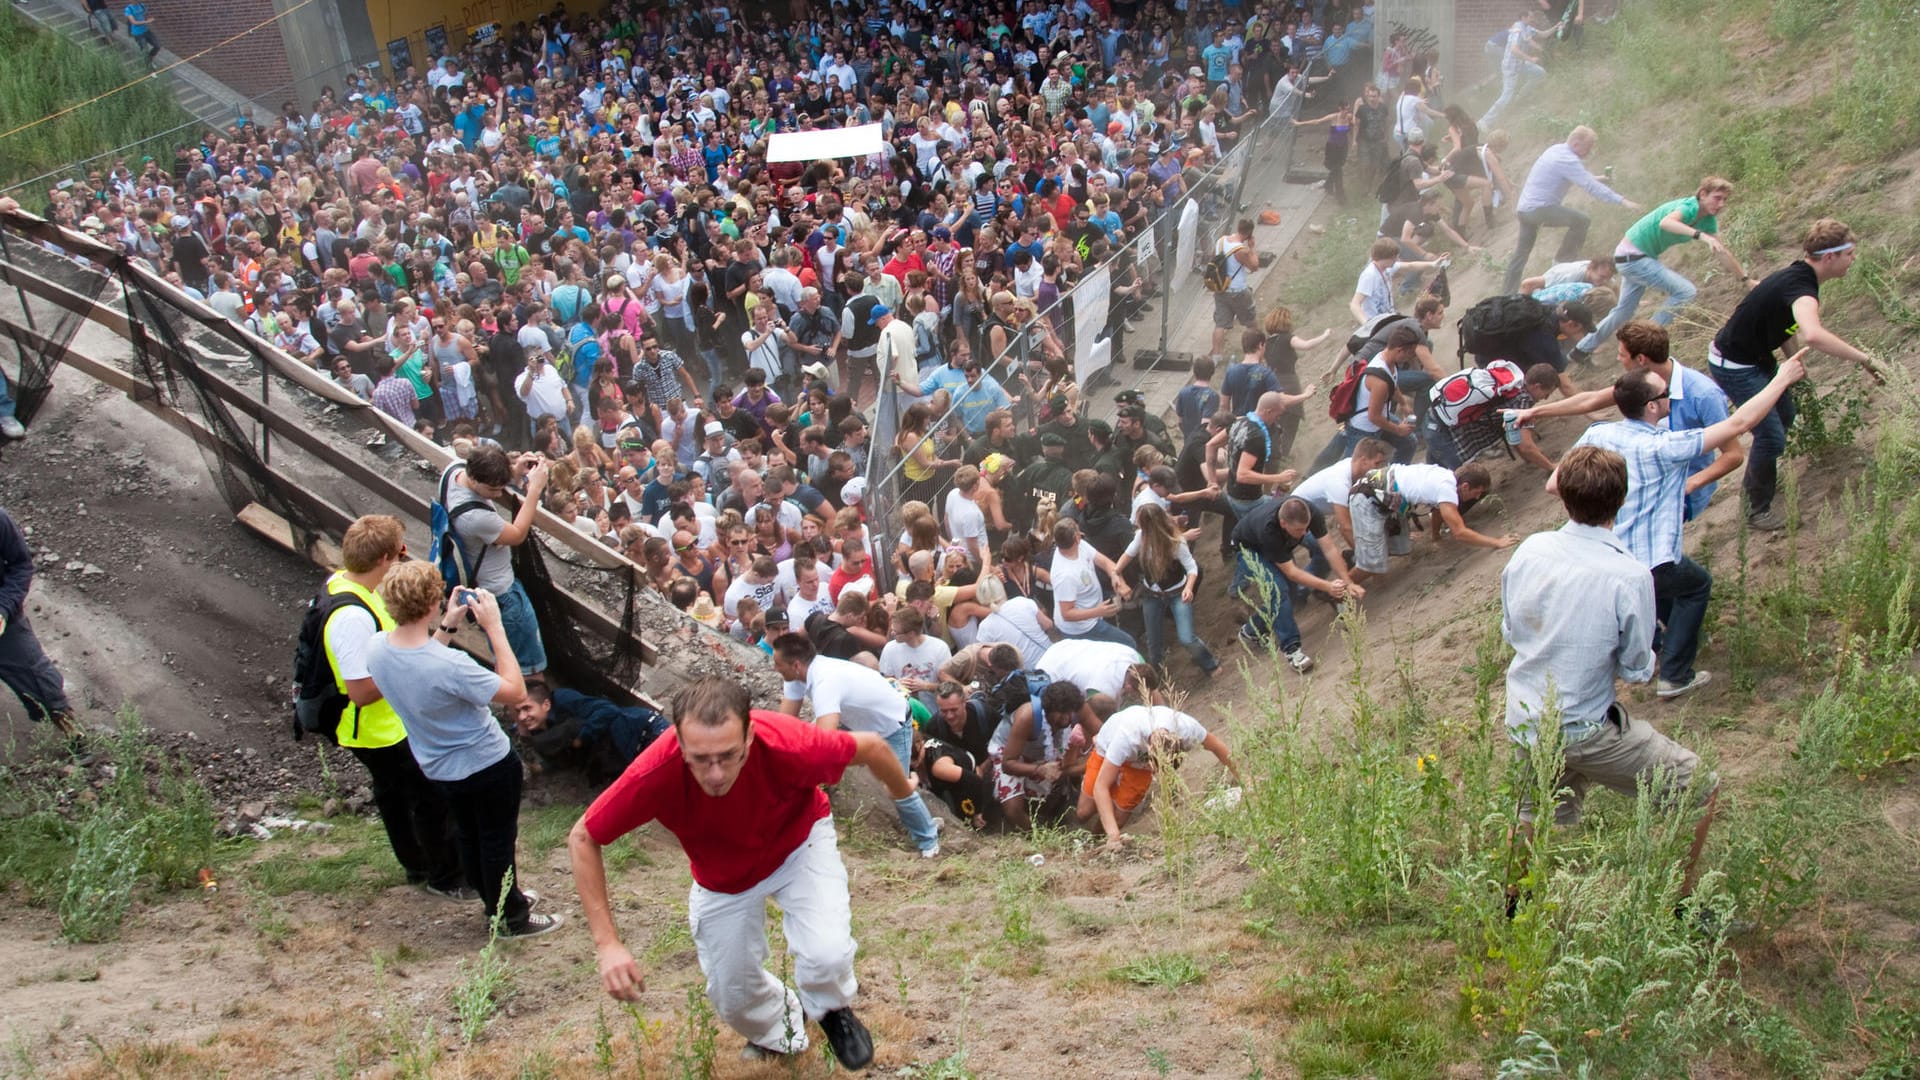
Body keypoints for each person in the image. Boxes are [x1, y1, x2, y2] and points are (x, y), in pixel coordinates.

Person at [569, 678, 919, 1070]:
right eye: (700, 759)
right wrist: (608, 945)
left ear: (750, 736)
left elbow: (872, 747)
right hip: (723, 876)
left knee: (826, 954)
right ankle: (782, 1025)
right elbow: (583, 837)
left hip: (798, 845)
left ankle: (833, 1009)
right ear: (680, 744)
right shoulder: (657, 770)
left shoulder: (789, 743)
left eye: (727, 755)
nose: (715, 773)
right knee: (732, 995)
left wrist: (903, 790)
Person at [1503, 445, 1718, 910]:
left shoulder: (1530, 549)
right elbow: (1639, 668)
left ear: (1562, 497)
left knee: (1530, 812)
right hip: (1584, 726)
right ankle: (1681, 904)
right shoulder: (1629, 574)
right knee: (1699, 786)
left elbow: (1511, 627)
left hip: (1526, 715)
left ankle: (1514, 904)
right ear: (1622, 500)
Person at [1560, 356, 1809, 697]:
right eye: (1665, 394)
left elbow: (1553, 484)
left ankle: (1664, 648)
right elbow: (1739, 424)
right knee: (1695, 586)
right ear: (1651, 406)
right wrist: (1780, 380)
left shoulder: (1598, 435)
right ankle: (1675, 675)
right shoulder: (1664, 447)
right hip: (1651, 555)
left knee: (1660, 591)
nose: (1670, 398)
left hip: (1609, 553)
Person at [364, 561, 560, 938]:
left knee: (470, 835)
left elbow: (418, 661)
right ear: (429, 604)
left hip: (438, 765)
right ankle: (510, 918)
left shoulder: (377, 649)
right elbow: (516, 691)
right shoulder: (451, 665)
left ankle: (496, 899)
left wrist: (448, 625)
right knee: (497, 840)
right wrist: (494, 627)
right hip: (485, 762)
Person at [317, 515, 465, 899]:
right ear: (384, 558)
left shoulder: (349, 586)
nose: (404, 556)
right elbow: (361, 690)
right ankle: (445, 877)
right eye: (400, 550)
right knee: (430, 797)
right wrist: (408, 671)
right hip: (375, 729)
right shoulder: (350, 616)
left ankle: (418, 865)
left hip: (386, 724)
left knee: (397, 796)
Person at [1707, 219, 1882, 530]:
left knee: (1785, 413)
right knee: (1770, 436)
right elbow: (1813, 334)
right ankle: (1755, 509)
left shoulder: (1799, 277)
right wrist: (1864, 359)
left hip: (1756, 358)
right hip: (1734, 365)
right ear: (1830, 257)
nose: (1853, 259)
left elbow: (1784, 322)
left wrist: (1792, 362)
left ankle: (1763, 477)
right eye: (1850, 254)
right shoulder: (1802, 288)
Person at [1512, 321, 1736, 520]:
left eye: (1621, 354)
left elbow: (1734, 454)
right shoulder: (1643, 381)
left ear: (1641, 359)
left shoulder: (1702, 395)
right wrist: (1535, 413)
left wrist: (1691, 485)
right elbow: (1590, 400)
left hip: (1678, 495)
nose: (1617, 359)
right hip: (1642, 482)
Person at [773, 635, 943, 858]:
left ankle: (928, 838)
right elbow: (785, 723)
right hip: (853, 720)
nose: (774, 668)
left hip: (892, 725)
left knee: (895, 787)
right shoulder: (796, 677)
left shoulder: (826, 680)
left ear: (796, 665)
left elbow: (825, 739)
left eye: (778, 664)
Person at [1573, 177, 1758, 362]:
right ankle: (1643, 342)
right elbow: (1666, 223)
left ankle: (1581, 350)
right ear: (1703, 194)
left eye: (1725, 200)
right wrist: (1701, 236)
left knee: (1623, 312)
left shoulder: (1707, 220)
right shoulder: (1689, 207)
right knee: (1686, 292)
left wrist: (1745, 279)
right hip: (1634, 258)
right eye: (1717, 198)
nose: (1721, 204)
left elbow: (1722, 252)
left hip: (1632, 257)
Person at [442, 445, 550, 677]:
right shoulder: (475, 517)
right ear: (473, 477)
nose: (499, 494)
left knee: (504, 654)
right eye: (493, 489)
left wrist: (513, 471)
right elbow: (517, 534)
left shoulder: (454, 471)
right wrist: (535, 490)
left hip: (484, 586)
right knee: (527, 666)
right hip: (502, 594)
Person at [1077, 703, 1240, 851]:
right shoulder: (1127, 735)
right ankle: (1102, 838)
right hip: (1108, 748)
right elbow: (1101, 786)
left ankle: (1094, 843)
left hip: (1139, 765)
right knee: (1084, 812)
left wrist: (1245, 779)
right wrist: (1114, 836)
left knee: (1118, 819)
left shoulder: (1186, 728)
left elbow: (1217, 747)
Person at [1230, 493, 1363, 673]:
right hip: (1248, 547)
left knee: (1290, 595)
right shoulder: (1270, 531)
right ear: (1284, 524)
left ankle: (1252, 630)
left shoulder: (1309, 512)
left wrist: (1348, 581)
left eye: (1306, 528)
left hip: (1274, 539)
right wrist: (1328, 586)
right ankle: (1292, 651)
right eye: (1299, 530)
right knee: (1278, 589)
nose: (1304, 533)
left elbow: (1329, 548)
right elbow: (1291, 572)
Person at [1502, 126, 1640, 295]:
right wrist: (1622, 201)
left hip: (1525, 210)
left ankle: (1506, 295)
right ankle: (1561, 264)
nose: (1589, 152)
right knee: (1582, 220)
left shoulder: (1556, 150)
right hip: (1539, 209)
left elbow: (1580, 177)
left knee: (1520, 255)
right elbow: (1588, 185)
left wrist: (1599, 179)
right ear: (1576, 143)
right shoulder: (1567, 159)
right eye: (1588, 147)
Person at [1348, 462, 1517, 584]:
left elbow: (1437, 510)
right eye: (1477, 492)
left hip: (1382, 496)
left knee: (1399, 547)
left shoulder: (1444, 477)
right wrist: (1497, 542)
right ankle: (1339, 591)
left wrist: (1436, 537)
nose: (1477, 497)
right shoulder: (1447, 489)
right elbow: (1459, 532)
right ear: (1465, 486)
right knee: (1370, 564)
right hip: (1367, 498)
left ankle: (1359, 561)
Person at [0, 505, 84, 749]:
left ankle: (77, 740)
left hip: (4, 626)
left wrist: (3, 608)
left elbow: (21, 565)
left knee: (41, 683)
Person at [1112, 504, 1219, 677]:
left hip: (1177, 593)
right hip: (1151, 595)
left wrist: (1189, 588)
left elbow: (1192, 568)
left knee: (1186, 637)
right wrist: (1116, 572)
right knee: (1153, 641)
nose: (1137, 526)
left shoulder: (1176, 543)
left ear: (1150, 526)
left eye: (1140, 523)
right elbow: (1127, 555)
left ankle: (1210, 665)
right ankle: (1157, 676)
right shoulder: (1141, 537)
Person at [512, 682, 672, 780]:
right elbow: (566, 755)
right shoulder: (541, 733)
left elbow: (609, 710)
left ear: (546, 705)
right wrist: (542, 767)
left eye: (527, 709)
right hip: (630, 755)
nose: (522, 716)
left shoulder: (563, 699)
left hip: (645, 730)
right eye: (518, 711)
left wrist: (581, 738)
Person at [1048, 517, 1137, 649]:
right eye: (1079, 533)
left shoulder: (1080, 546)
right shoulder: (1065, 575)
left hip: (1094, 613)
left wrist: (1117, 579)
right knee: (1128, 644)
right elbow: (1067, 614)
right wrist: (1098, 611)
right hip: (1081, 628)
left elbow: (1105, 562)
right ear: (1076, 538)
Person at [1210, 217, 1260, 360]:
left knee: (1220, 324)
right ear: (1249, 233)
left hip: (1220, 289)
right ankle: (1254, 350)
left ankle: (1216, 357)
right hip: (1238, 291)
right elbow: (1254, 266)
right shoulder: (1241, 250)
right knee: (1251, 322)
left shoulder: (1221, 241)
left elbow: (1213, 257)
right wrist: (1252, 247)